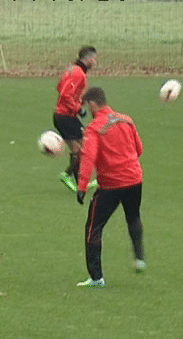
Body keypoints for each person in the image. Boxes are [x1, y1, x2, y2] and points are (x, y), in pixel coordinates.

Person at [75, 87, 146, 287]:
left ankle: (96, 277)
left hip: (112, 185)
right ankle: (139, 257)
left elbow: (88, 158)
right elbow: (139, 149)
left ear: (91, 104)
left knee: (93, 227)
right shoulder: (127, 120)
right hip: (134, 179)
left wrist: (81, 187)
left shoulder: (94, 128)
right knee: (133, 216)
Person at [53, 46, 97, 193]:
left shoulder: (72, 70)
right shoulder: (78, 73)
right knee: (82, 148)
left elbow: (59, 87)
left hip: (64, 116)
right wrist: (79, 109)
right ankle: (67, 174)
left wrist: (78, 101)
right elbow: (65, 94)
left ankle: (80, 186)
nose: (95, 62)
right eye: (94, 59)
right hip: (65, 117)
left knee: (80, 148)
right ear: (89, 58)